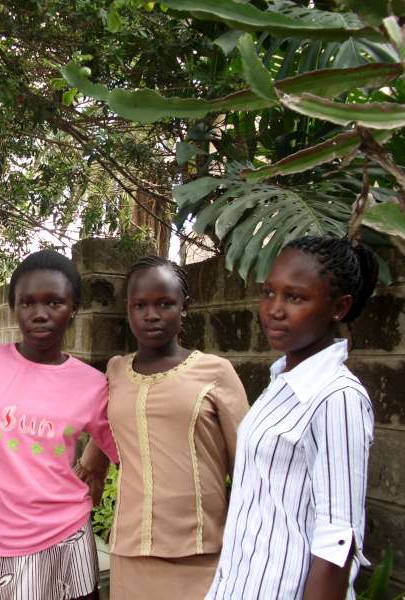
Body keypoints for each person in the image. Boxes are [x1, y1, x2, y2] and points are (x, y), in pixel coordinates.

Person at [0, 249, 119, 600]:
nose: (40, 314)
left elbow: (125, 449)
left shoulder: (92, 383)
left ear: (74, 308)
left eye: (54, 303)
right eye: (27, 303)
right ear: (13, 306)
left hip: (68, 541)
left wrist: (97, 462)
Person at [206, 236, 379, 600]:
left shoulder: (337, 397)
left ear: (339, 307)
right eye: (269, 292)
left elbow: (337, 540)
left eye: (295, 297)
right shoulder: (281, 382)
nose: (274, 309)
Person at [76, 255, 249, 599]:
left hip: (202, 551)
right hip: (131, 548)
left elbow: (248, 461)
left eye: (164, 304)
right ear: (128, 309)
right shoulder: (117, 371)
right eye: (139, 305)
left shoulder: (215, 372)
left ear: (185, 307)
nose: (151, 314)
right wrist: (86, 473)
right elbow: (104, 436)